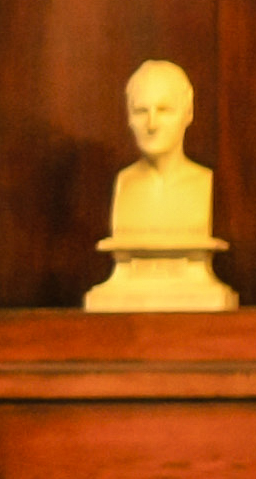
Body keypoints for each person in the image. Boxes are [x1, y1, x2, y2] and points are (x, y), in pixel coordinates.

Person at [87, 56, 238, 312]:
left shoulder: (202, 183)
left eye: (165, 110)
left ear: (188, 113)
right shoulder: (125, 184)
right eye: (140, 111)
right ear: (128, 117)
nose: (152, 124)